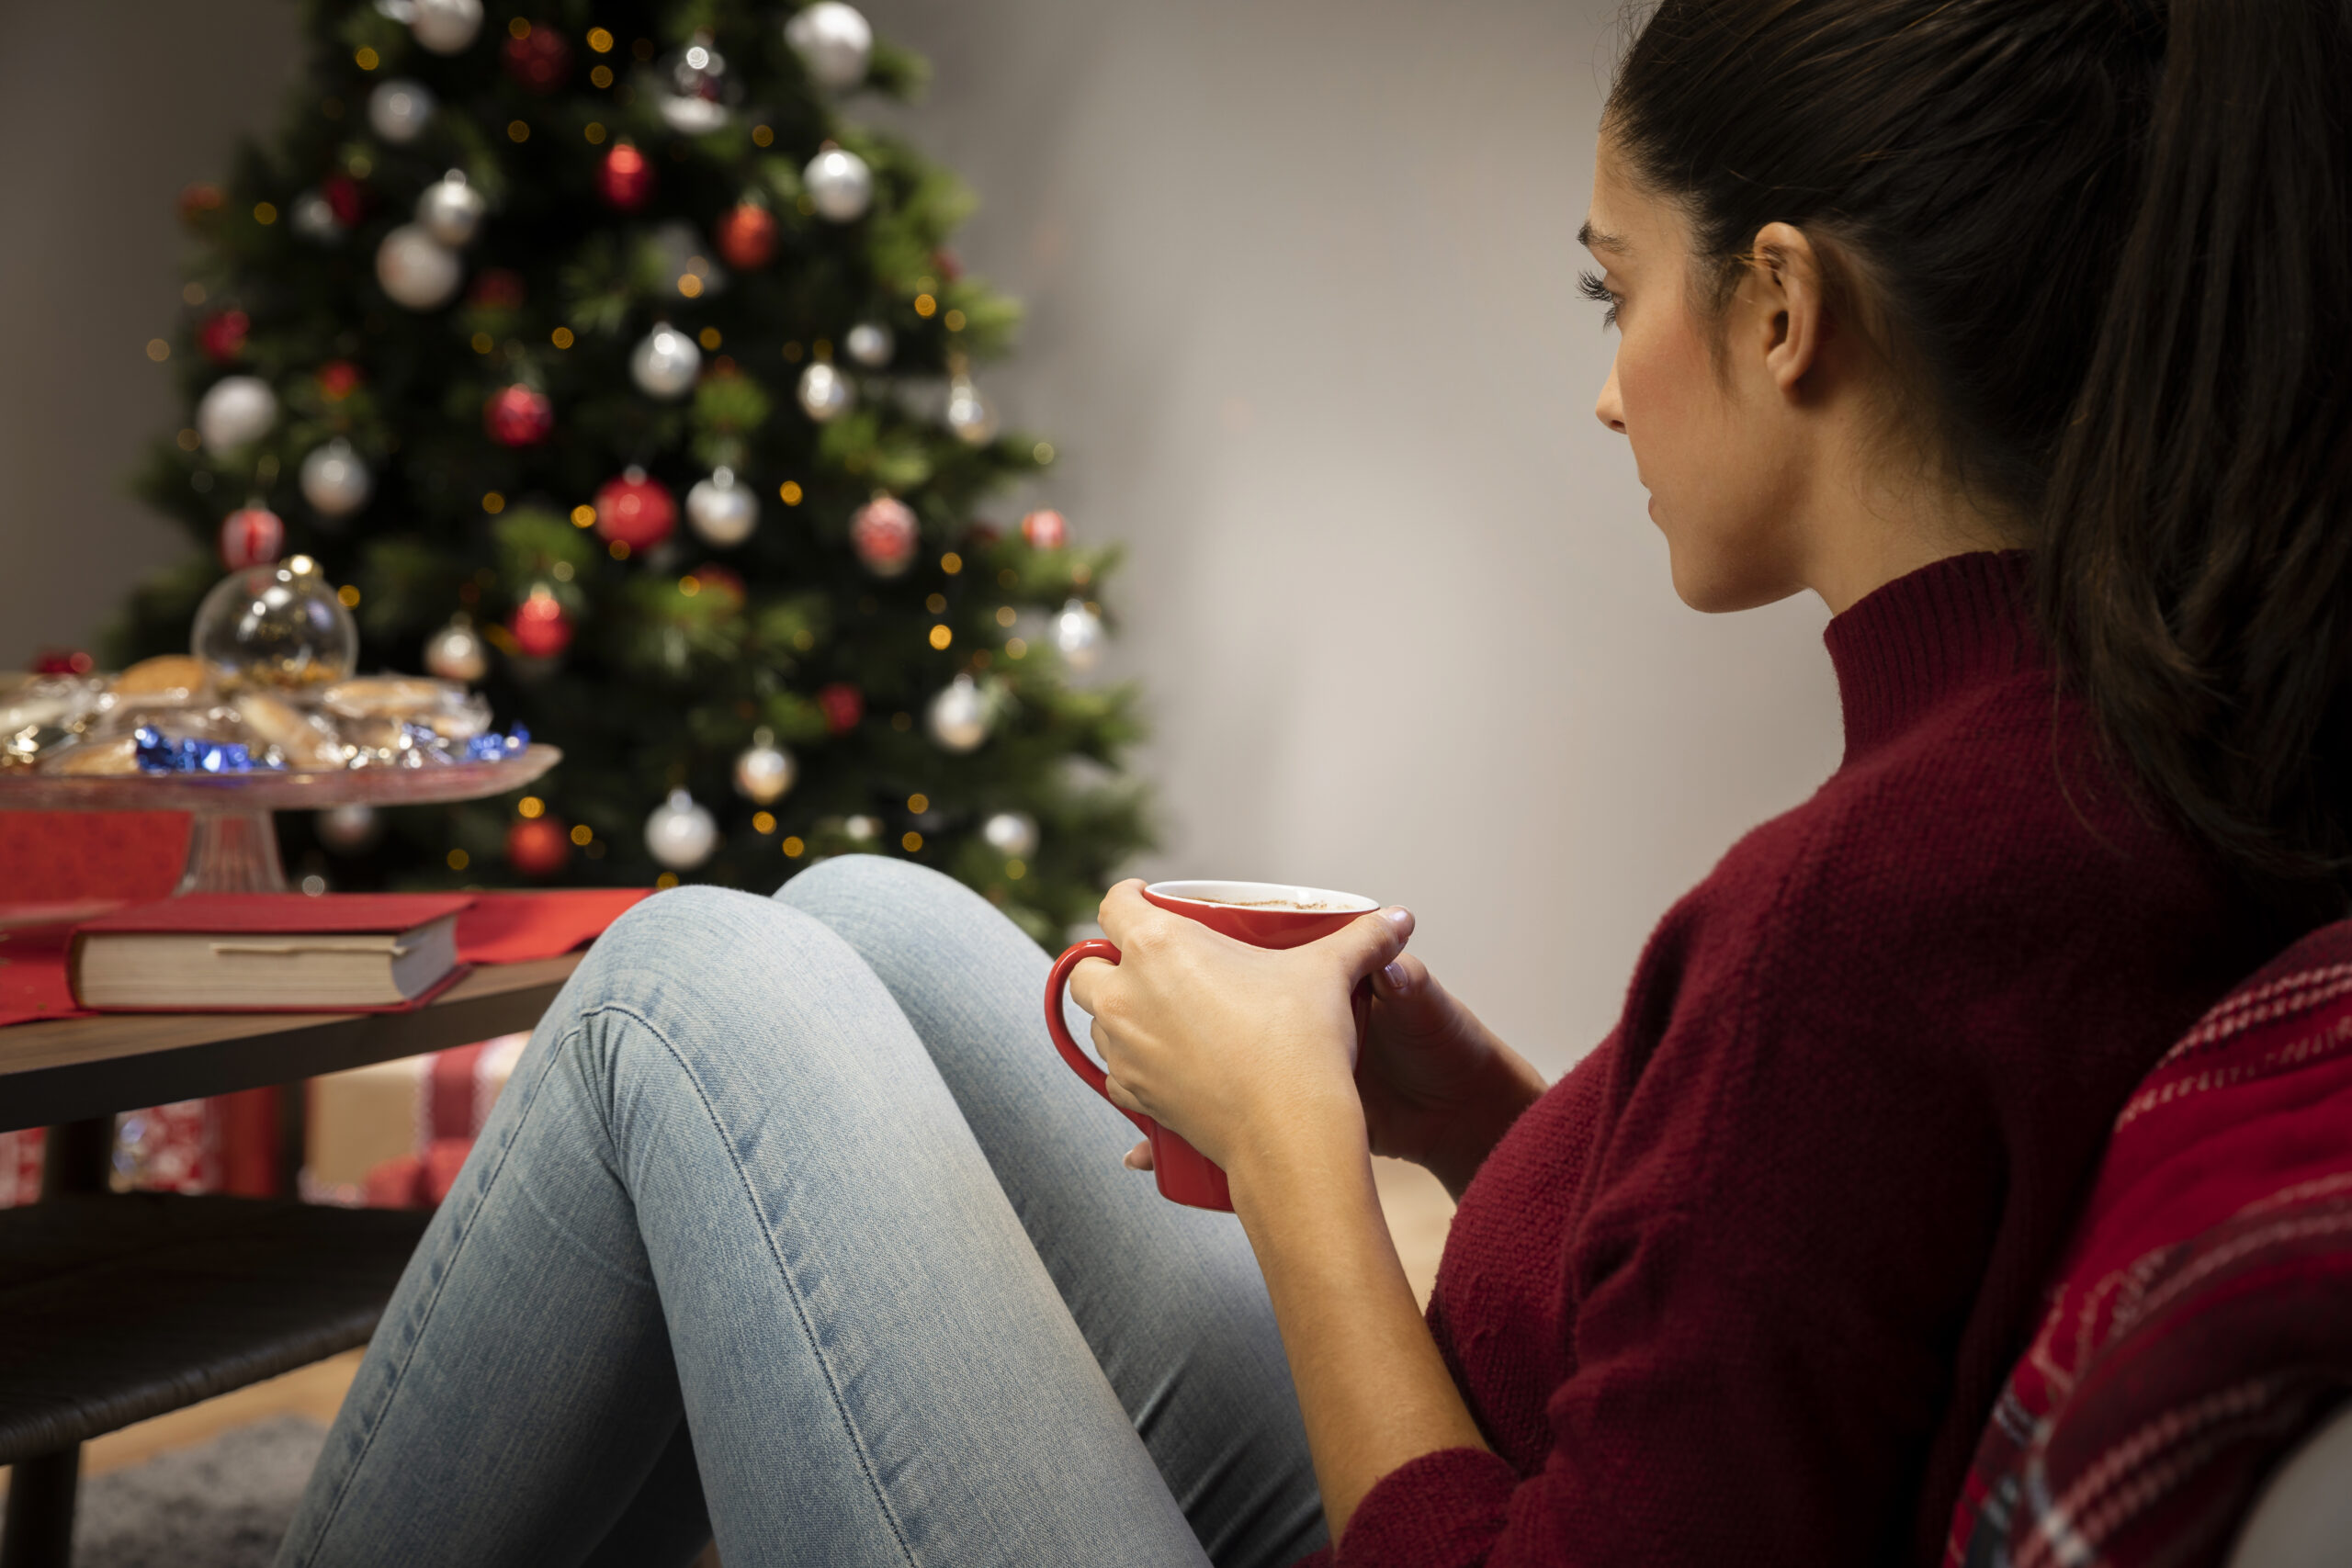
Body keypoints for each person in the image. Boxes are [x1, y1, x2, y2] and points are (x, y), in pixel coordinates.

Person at [276, 0, 2352, 1563]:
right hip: (1509, 1446)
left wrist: (1294, 1150)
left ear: (1786, 307)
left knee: (681, 994)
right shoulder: (2101, 763)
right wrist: (1477, 1117)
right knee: (863, 924)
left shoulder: (1885, 889)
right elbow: (1795, 1294)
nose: (1603, 376)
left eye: (1611, 287)